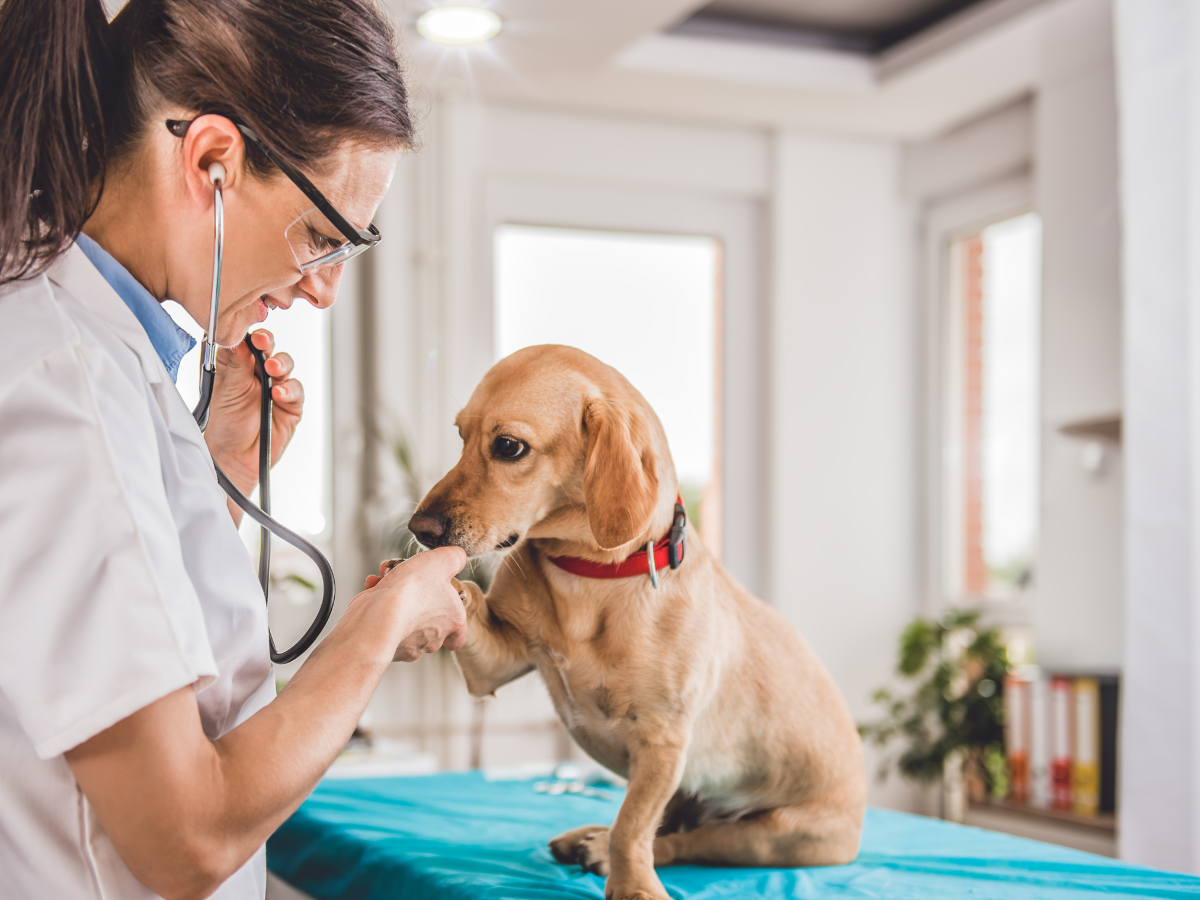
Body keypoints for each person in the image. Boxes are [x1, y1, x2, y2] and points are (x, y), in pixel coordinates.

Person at [0, 1, 468, 898]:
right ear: (212, 159)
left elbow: (91, 629)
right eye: (322, 236)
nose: (324, 289)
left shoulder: (87, 353)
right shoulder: (69, 384)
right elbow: (185, 837)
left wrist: (218, 474)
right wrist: (379, 625)